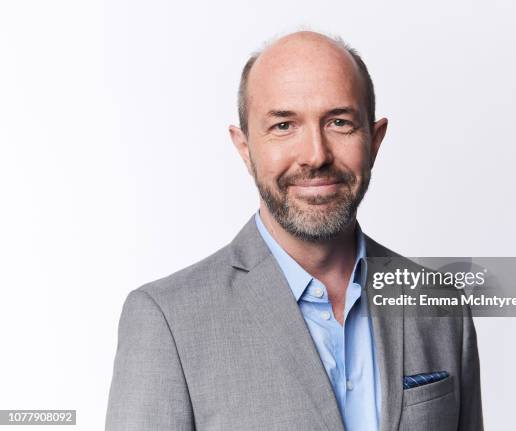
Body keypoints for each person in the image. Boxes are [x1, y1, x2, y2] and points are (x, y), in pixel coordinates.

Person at [105, 31, 483, 431]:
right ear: (245, 147)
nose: (315, 155)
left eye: (339, 122)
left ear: (374, 140)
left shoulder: (441, 307)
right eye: (284, 125)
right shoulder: (167, 321)